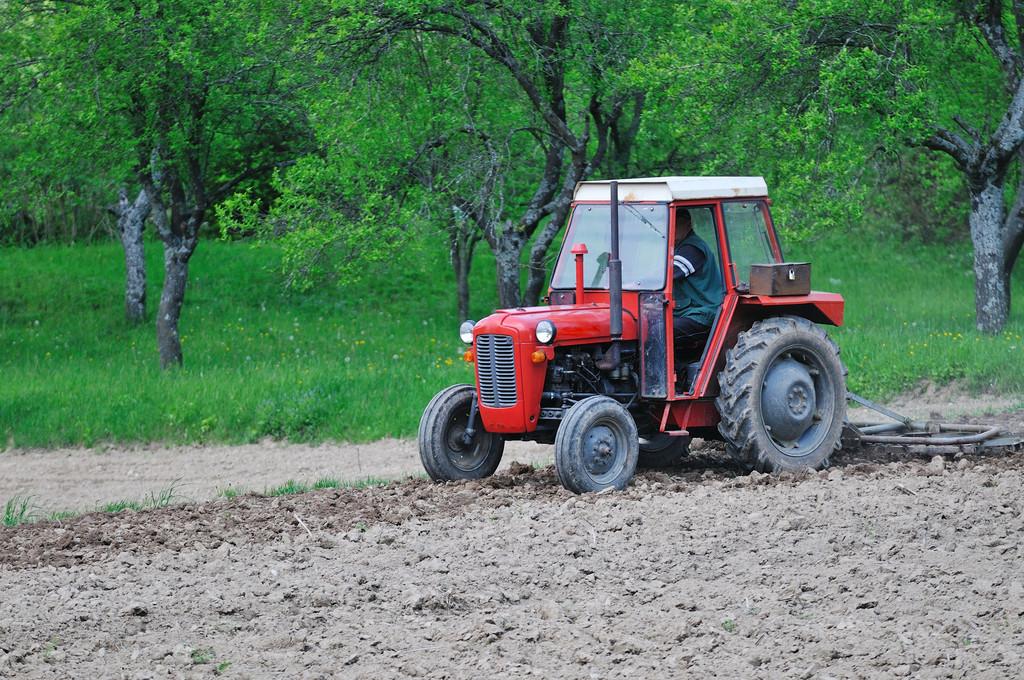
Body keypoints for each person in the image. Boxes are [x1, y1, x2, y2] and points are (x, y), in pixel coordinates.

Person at [673, 208, 725, 357]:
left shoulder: (692, 248)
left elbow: (669, 273)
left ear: (688, 225)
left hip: (703, 311)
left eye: (676, 224)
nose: (671, 229)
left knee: (658, 329)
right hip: (684, 310)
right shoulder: (675, 247)